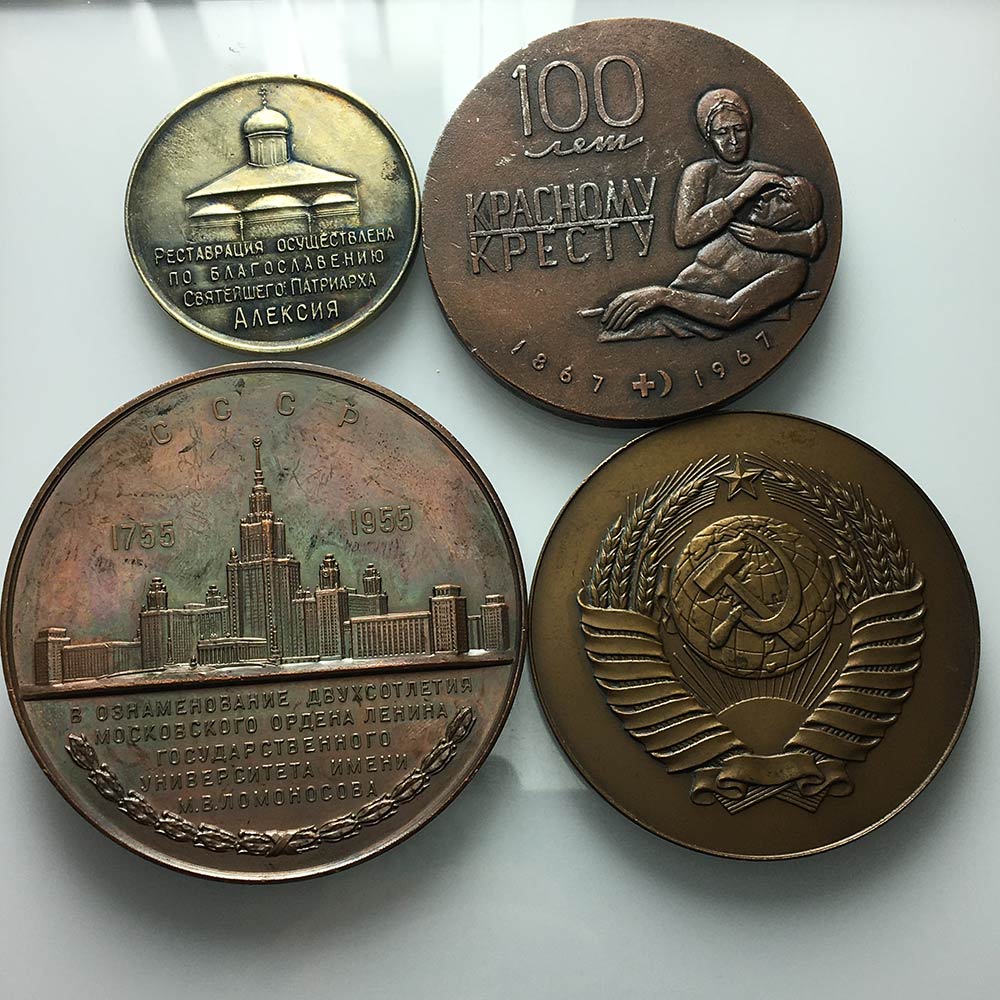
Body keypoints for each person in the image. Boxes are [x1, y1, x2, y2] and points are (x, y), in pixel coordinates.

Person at [600, 177, 823, 341]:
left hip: (685, 331)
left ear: (799, 216)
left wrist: (661, 296)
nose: (765, 196)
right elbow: (686, 235)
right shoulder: (737, 229)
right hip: (658, 312)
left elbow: (730, 313)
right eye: (768, 191)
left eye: (782, 198)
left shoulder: (793, 268)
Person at [673, 88, 824, 260]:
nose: (733, 140)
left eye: (739, 129)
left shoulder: (772, 175)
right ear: (709, 137)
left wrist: (777, 241)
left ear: (749, 129)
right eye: (722, 133)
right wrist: (744, 192)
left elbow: (816, 229)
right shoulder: (700, 173)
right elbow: (684, 236)